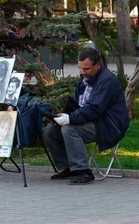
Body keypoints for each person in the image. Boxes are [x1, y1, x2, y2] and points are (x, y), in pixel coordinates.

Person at [42, 47, 129, 185]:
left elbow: (93, 109)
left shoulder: (106, 81)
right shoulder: (84, 78)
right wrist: (62, 117)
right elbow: (77, 104)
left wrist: (69, 119)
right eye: (80, 68)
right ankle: (69, 167)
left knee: (69, 129)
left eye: (86, 69)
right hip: (90, 120)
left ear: (97, 65)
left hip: (108, 125)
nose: (82, 72)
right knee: (49, 131)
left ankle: (83, 171)